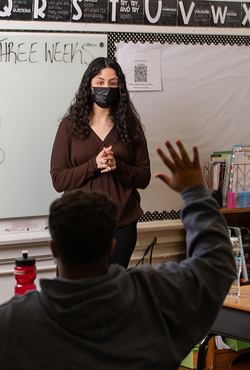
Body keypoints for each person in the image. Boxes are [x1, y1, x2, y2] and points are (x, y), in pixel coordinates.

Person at [0, 140, 235, 370]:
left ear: (54, 248)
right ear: (112, 246)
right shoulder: (156, 299)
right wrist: (194, 193)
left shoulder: (15, 323)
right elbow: (216, 265)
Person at [50, 57, 151, 268]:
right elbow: (59, 180)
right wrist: (92, 165)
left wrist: (118, 167)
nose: (107, 88)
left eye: (113, 83)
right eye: (100, 82)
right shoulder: (69, 127)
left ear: (120, 88)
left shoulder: (131, 127)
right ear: (89, 85)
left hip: (122, 223)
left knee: (113, 288)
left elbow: (144, 177)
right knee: (77, 290)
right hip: (78, 223)